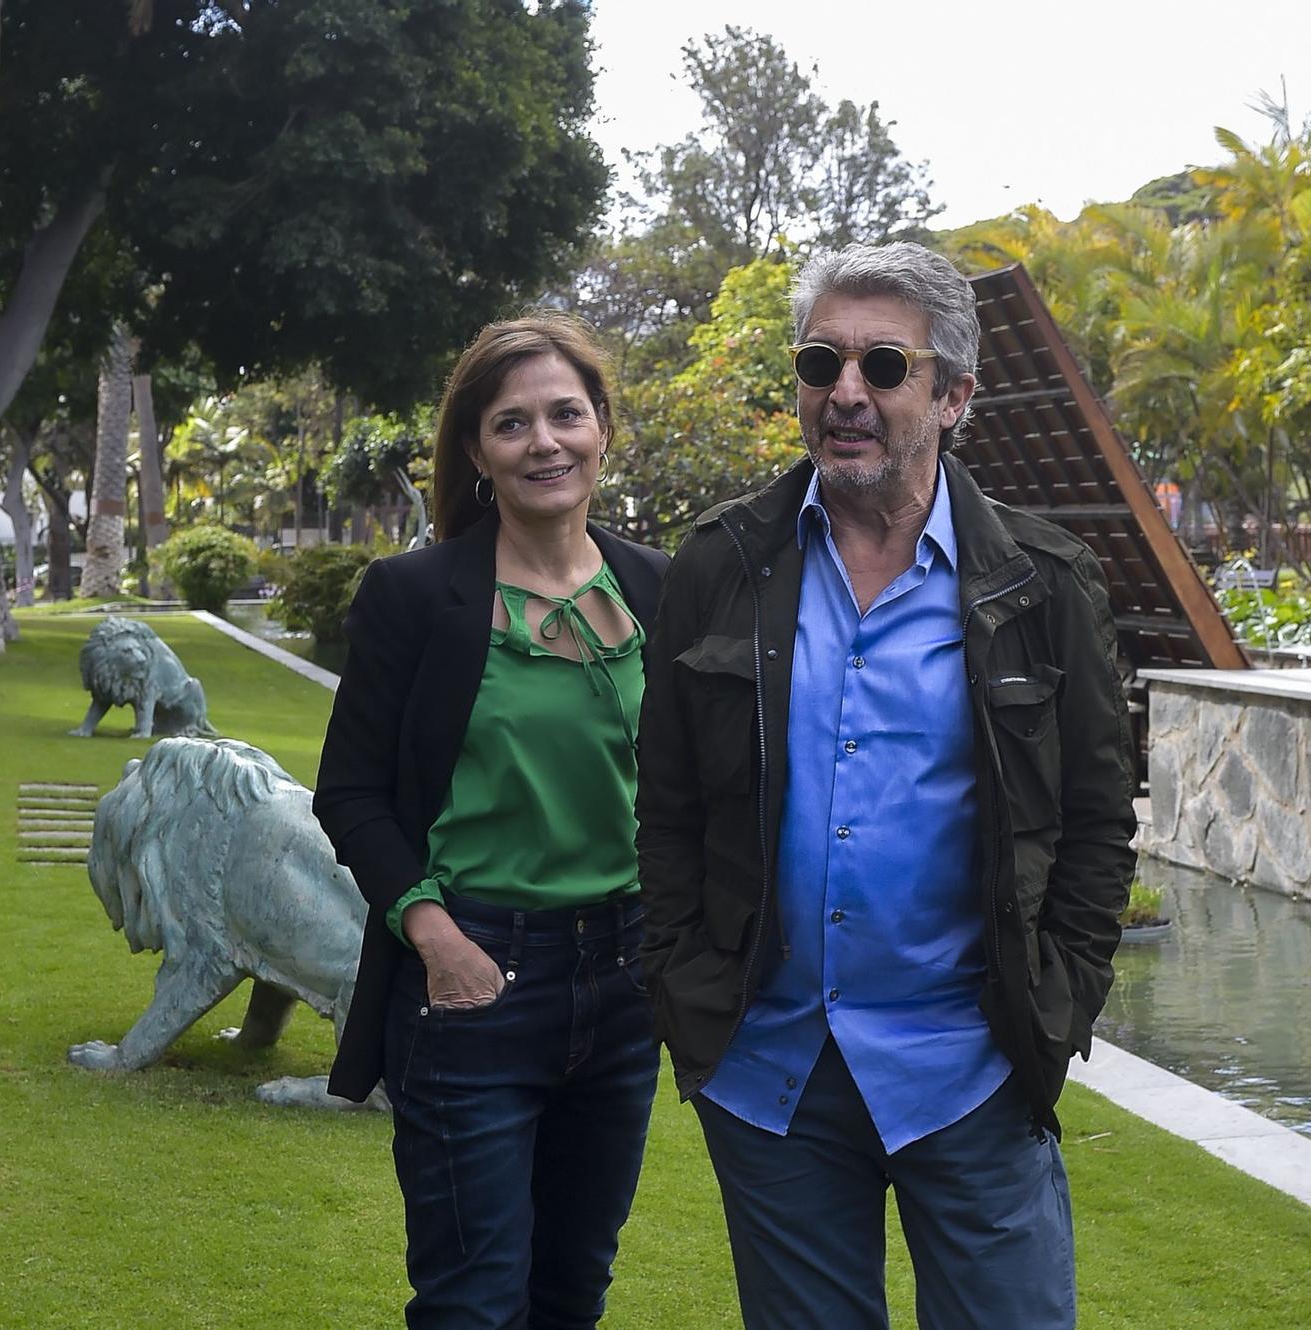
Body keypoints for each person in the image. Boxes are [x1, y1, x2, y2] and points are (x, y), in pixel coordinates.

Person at [635, 242, 1135, 1330]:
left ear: (953, 393)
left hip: (971, 1063)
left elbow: (1098, 821)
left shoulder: (1040, 581)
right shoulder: (719, 567)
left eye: (882, 366)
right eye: (820, 363)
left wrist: (1055, 1003)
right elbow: (667, 807)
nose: (844, 392)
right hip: (774, 1070)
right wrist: (683, 982)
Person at [312, 313, 668, 1330]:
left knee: (570, 1292)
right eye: (512, 424)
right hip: (473, 982)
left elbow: (688, 790)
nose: (544, 441)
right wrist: (436, 937)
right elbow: (351, 792)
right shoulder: (415, 595)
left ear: (602, 426)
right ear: (475, 450)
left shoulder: (657, 587)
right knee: (472, 1301)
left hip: (622, 981)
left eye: (566, 413)